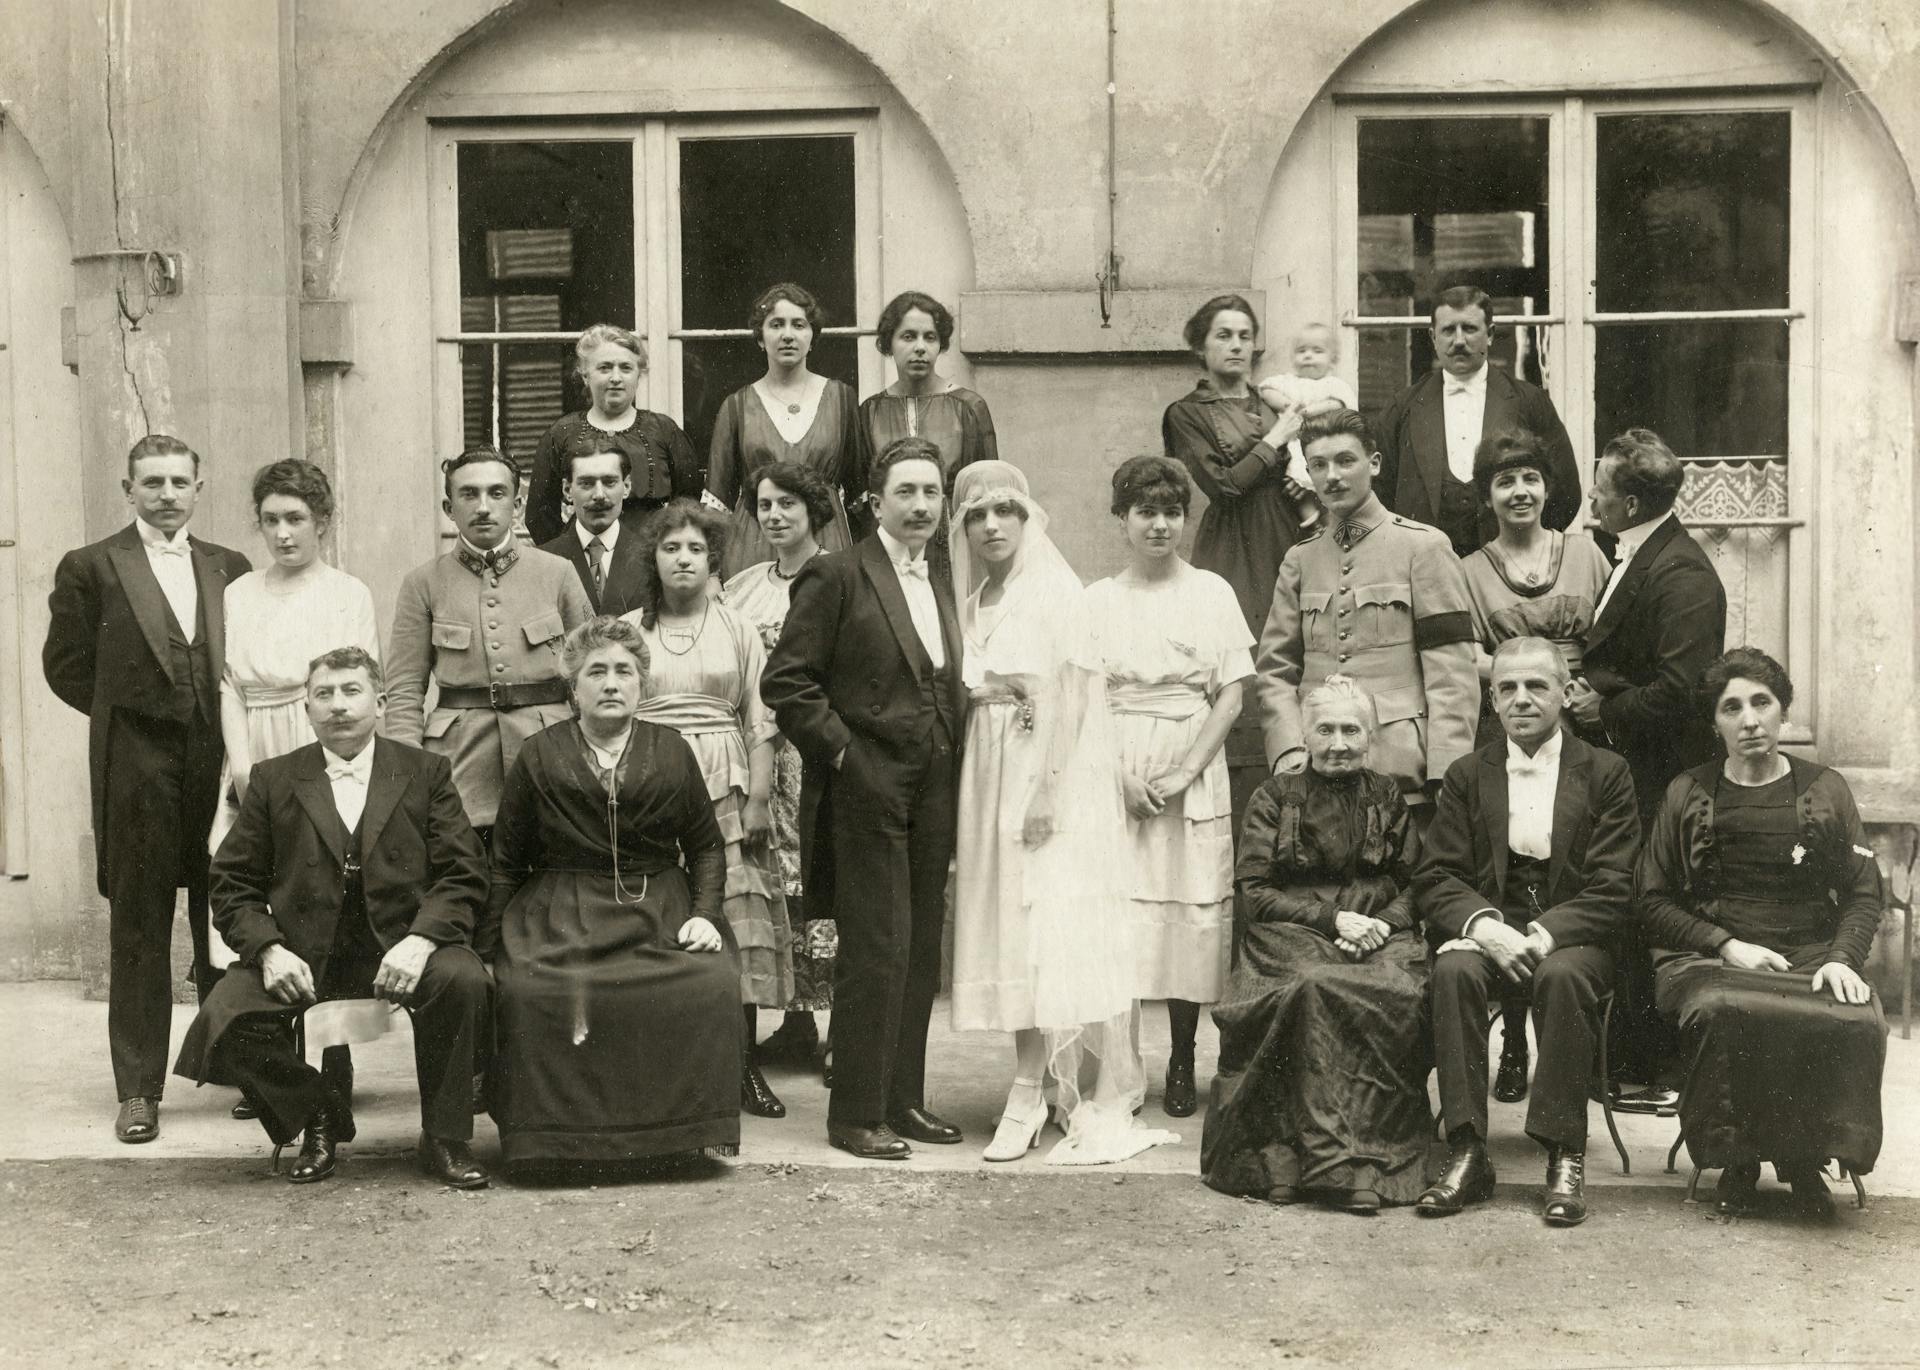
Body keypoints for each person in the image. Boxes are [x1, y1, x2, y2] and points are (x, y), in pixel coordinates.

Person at [172, 648, 494, 1189]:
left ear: (381, 702)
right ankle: (319, 1112)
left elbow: (464, 874)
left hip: (401, 947)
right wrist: (270, 951)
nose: (338, 706)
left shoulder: (425, 772)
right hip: (306, 954)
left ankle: (443, 1136)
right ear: (307, 707)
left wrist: (421, 940)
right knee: (222, 1018)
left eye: (351, 691)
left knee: (464, 979)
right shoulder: (275, 779)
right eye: (324, 694)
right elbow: (230, 883)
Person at [948, 460, 1178, 1165]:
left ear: (1028, 518)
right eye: (977, 515)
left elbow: (1074, 699)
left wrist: (1046, 789)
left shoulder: (1054, 591)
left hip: (1043, 770)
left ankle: (1030, 1088)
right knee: (1006, 920)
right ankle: (1037, 1076)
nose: (991, 525)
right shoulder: (975, 595)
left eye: (1005, 511)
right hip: (985, 767)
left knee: (1042, 920)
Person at [42, 434, 252, 1144]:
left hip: (220, 762)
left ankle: (244, 1065)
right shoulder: (92, 566)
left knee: (230, 913)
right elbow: (67, 666)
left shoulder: (230, 565)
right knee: (139, 924)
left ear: (200, 486)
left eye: (179, 481)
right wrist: (131, 717)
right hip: (137, 768)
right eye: (152, 482)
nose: (167, 494)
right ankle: (139, 1089)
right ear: (128, 490)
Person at [762, 436, 965, 1160]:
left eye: (931, 493)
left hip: (932, 785)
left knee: (919, 953)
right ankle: (853, 1114)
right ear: (873, 503)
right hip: (864, 785)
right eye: (905, 492)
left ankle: (901, 1100)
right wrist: (846, 753)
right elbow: (786, 683)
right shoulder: (836, 574)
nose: (919, 506)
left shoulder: (936, 578)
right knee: (876, 949)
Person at [1637, 648, 1886, 1220]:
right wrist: (1726, 944)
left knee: (1851, 1011)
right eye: (1731, 708)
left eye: (1761, 703)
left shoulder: (1827, 789)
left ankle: (1806, 1160)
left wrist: (1843, 958)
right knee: (1723, 1006)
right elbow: (1651, 901)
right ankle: (1739, 1160)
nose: (1749, 719)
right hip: (1707, 954)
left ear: (1783, 712)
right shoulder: (1686, 792)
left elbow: (1863, 890)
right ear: (1715, 722)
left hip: (1811, 951)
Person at [484, 618, 742, 1172]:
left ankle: (674, 1138)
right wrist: (487, 948)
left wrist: (705, 914)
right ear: (572, 689)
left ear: (641, 684)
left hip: (660, 906)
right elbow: (505, 859)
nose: (611, 683)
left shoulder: (672, 751)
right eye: (595, 672)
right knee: (530, 989)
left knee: (708, 979)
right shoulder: (537, 754)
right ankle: (552, 1144)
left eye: (624, 671)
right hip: (560, 909)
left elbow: (706, 848)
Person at [1413, 637, 1640, 1227]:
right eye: (1507, 688)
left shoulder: (1607, 773)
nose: (1522, 699)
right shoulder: (1468, 773)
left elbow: (1615, 886)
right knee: (1454, 968)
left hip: (1573, 933)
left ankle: (1564, 1152)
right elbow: (1437, 874)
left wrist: (1541, 935)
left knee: (1563, 975)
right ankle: (1467, 1149)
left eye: (1536, 686)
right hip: (1492, 925)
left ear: (1565, 694)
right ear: (1491, 699)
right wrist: (1485, 928)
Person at [1201, 676, 1427, 1212]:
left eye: (1352, 729)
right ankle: (1290, 1155)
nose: (1339, 743)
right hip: (1291, 933)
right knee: (1311, 985)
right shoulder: (1274, 797)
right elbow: (1255, 891)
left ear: (1371, 735)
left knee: (1395, 991)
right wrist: (1333, 921)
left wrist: (1387, 924)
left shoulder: (1388, 794)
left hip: (1376, 931)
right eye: (1325, 729)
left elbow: (1418, 879)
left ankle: (1365, 1159)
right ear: (1303, 735)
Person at [214, 458, 381, 1122]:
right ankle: (270, 1073)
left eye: (297, 520)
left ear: (323, 522)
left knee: (324, 899)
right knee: (260, 900)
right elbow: (229, 684)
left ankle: (332, 1066)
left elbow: (352, 692)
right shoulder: (241, 593)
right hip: (255, 743)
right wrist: (242, 767)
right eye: (271, 521)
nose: (283, 534)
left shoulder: (348, 592)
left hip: (322, 740)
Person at [1085, 455, 1251, 1118]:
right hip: (1117, 762)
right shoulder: (1097, 600)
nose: (1160, 525)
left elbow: (1233, 695)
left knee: (1188, 918)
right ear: (1121, 519)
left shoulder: (1211, 592)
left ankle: (1184, 1057)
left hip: (1192, 760)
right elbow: (1084, 700)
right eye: (1145, 512)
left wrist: (1184, 772)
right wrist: (1118, 776)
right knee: (1119, 917)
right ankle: (1123, 1067)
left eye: (1171, 512)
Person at [618, 499, 793, 1119]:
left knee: (734, 922)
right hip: (650, 782)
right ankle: (669, 1066)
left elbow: (762, 719)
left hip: (727, 780)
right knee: (662, 914)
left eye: (696, 549)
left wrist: (761, 800)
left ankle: (743, 1066)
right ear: (654, 559)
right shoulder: (628, 630)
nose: (684, 559)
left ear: (713, 560)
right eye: (671, 549)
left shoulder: (738, 627)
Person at [1568, 426, 1727, 1104]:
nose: (1591, 502)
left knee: (1641, 910)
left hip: (1658, 776)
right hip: (1631, 769)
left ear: (1630, 503)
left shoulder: (1681, 571)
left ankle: (1644, 1070)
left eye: (1600, 491)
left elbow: (1685, 688)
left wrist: (1601, 710)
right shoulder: (1640, 552)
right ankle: (1628, 1062)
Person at [1458, 430, 1612, 1102]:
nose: (1518, 492)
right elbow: (1462, 655)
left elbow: (1613, 636)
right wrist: (1532, 676)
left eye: (1529, 479)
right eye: (1504, 481)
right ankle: (1512, 1043)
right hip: (1514, 718)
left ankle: (1567, 1054)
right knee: (1511, 873)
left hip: (1586, 726)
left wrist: (1587, 690)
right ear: (1488, 495)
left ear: (1549, 489)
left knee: (1566, 873)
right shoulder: (1468, 568)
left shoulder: (1586, 554)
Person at [1253, 407, 1479, 821]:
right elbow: (1275, 671)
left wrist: (1448, 770)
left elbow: (1453, 672)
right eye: (1318, 465)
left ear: (1373, 464)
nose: (1332, 476)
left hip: (1400, 770)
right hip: (1315, 769)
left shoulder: (1423, 548)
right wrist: (1288, 751)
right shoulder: (1300, 560)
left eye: (1345, 460)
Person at [385, 446, 593, 840]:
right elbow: (404, 691)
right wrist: (408, 774)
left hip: (551, 755)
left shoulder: (557, 573)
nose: (483, 506)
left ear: (516, 505)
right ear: (449, 507)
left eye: (497, 494)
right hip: (462, 767)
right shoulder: (423, 583)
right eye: (469, 494)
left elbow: (590, 673)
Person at [1161, 295, 1306, 833]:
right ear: (1200, 346)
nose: (1237, 345)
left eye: (1245, 335)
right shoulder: (1187, 413)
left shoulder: (1276, 403)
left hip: (1290, 536)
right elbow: (1223, 486)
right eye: (1223, 335)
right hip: (1235, 545)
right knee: (1238, 665)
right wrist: (1275, 441)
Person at [721, 460, 839, 1082]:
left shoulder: (841, 576)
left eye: (788, 504)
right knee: (775, 882)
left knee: (828, 881)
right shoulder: (740, 588)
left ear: (814, 509)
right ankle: (796, 1023)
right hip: (762, 751)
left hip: (818, 753)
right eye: (765, 505)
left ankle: (841, 1029)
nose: (775, 516)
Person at [1372, 285, 1581, 558]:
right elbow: (1379, 492)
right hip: (1425, 570)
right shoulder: (1403, 407)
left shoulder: (1528, 401)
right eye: (1448, 331)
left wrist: (1526, 549)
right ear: (1433, 337)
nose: (1459, 341)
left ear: (1490, 334)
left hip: (1508, 570)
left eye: (1469, 329)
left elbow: (1564, 491)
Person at [706, 283, 867, 577]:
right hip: (753, 544)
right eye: (776, 325)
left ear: (812, 337)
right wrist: (712, 573)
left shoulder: (842, 399)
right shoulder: (736, 406)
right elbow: (716, 503)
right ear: (760, 338)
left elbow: (860, 496)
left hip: (825, 538)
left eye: (799, 325)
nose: (788, 335)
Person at [857, 290, 998, 581]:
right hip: (887, 546)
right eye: (908, 337)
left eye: (930, 337)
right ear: (889, 343)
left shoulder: (968, 407)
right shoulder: (870, 411)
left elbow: (987, 492)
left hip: (953, 547)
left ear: (940, 344)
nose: (920, 347)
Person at [525, 323, 702, 546]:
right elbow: (539, 514)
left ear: (639, 375)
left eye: (626, 368)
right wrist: (568, 555)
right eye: (605, 368)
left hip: (649, 556)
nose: (616, 377)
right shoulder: (561, 434)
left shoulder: (664, 430)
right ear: (585, 375)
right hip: (586, 557)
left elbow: (689, 505)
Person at [1256, 321, 1356, 531]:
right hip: (1295, 442)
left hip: (1322, 442)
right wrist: (1286, 404)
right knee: (1294, 475)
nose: (1308, 355)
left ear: (1333, 359)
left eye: (1317, 351)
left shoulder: (1333, 384)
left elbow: (1337, 403)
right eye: (1302, 351)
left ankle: (1331, 523)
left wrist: (1308, 411)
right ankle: (1312, 522)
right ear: (1293, 357)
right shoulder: (1288, 382)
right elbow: (1266, 390)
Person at [536, 436, 652, 618]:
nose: (599, 495)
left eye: (609, 482)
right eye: (587, 483)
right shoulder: (543, 560)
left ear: (627, 486)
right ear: (567, 490)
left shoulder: (651, 557)